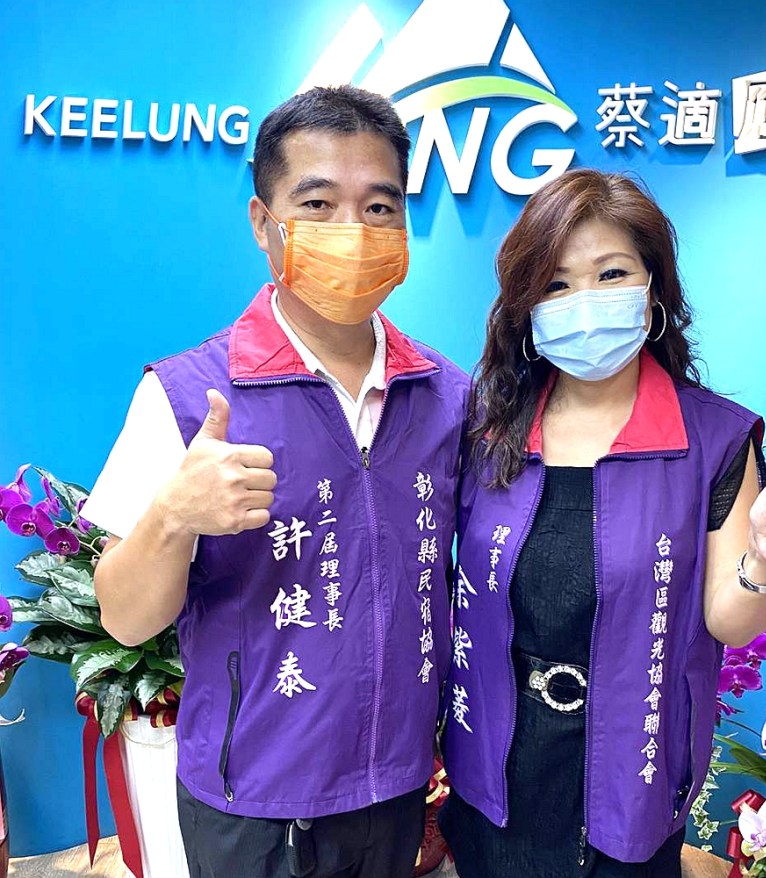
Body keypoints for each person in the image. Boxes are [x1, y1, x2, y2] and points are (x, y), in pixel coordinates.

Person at [84, 85, 469, 878]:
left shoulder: (447, 397)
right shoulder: (189, 395)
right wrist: (173, 517)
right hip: (252, 801)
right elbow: (123, 619)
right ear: (263, 223)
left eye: (379, 208)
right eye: (317, 204)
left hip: (396, 788)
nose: (352, 232)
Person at [438, 169, 766, 877]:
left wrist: (765, 560)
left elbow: (731, 621)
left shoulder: (714, 440)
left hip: (631, 768)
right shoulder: (487, 430)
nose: (584, 302)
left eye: (611, 273)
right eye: (556, 284)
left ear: (653, 290)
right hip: (498, 765)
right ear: (528, 308)